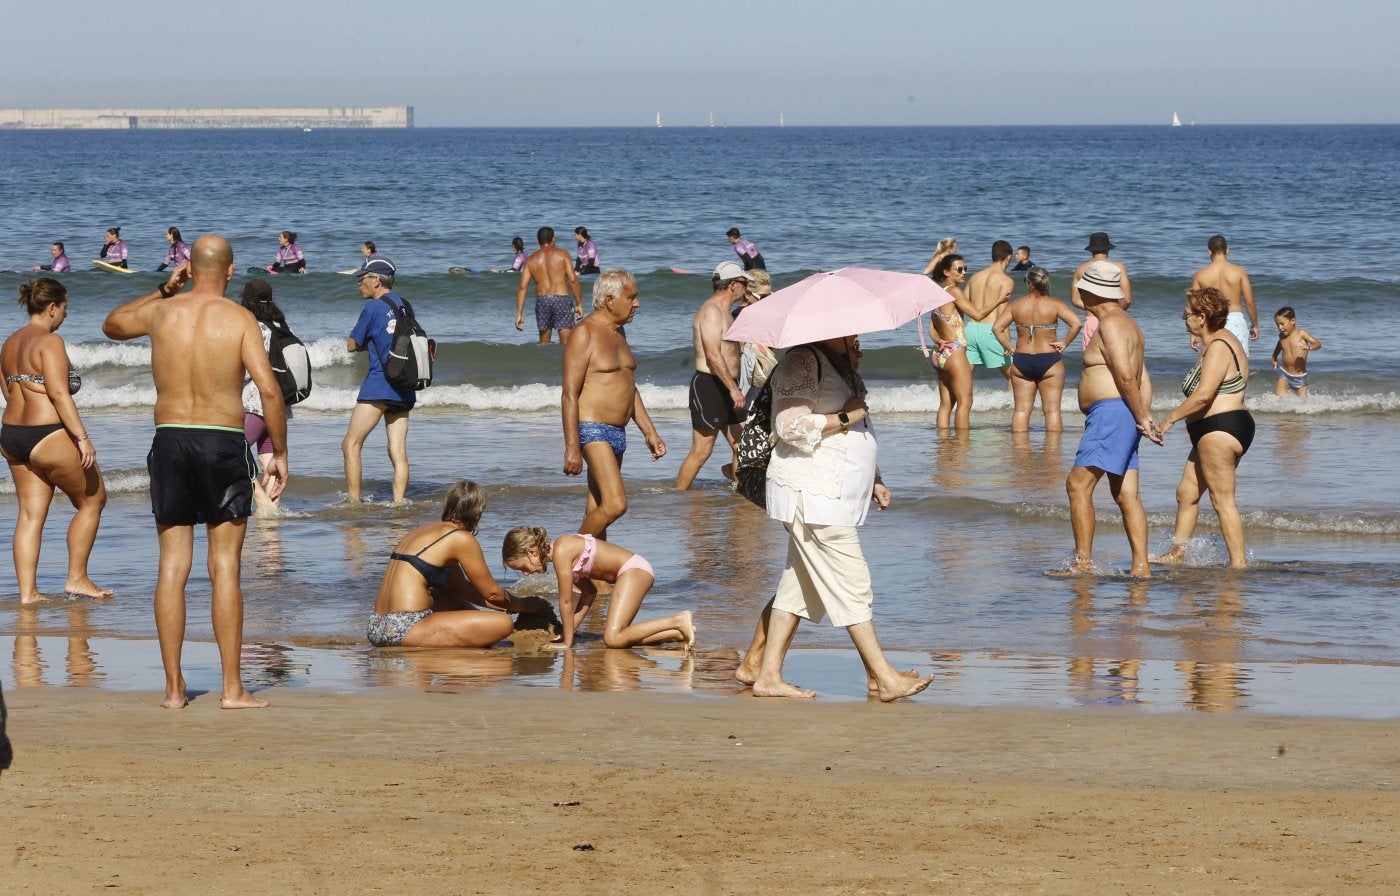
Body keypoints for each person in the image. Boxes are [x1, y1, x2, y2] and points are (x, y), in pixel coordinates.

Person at [102, 234, 288, 709]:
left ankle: (173, 689)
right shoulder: (240, 318)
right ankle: (231, 689)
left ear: (188, 268)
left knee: (172, 567)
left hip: (170, 440)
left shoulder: (164, 311)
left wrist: (165, 290)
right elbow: (268, 391)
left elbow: (112, 324)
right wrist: (280, 454)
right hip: (222, 442)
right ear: (229, 271)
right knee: (225, 567)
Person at [734, 336, 933, 701]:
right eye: (852, 333)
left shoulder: (833, 361)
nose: (857, 338)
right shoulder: (801, 361)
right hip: (810, 493)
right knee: (851, 580)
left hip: (825, 493)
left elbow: (853, 433)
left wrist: (875, 478)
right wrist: (847, 416)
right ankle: (884, 678)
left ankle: (768, 677)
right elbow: (789, 426)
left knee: (800, 588)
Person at [2, 278, 111, 603]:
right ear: (52, 307)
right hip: (47, 433)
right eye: (65, 309)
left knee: (30, 515)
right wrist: (82, 438)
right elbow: (60, 394)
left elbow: (8, 392)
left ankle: (28, 593)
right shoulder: (50, 342)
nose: (65, 315)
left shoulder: (9, 343)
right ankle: (77, 578)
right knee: (93, 501)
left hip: (11, 435)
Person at [1060, 260, 1161, 578]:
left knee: (1077, 485)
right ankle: (1140, 568)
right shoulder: (1128, 323)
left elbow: (1127, 375)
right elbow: (1144, 377)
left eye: (1082, 288)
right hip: (1121, 413)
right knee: (1125, 494)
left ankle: (1082, 565)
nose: (1078, 293)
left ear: (1092, 292)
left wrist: (1141, 416)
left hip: (1113, 413)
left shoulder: (1112, 324)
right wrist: (1143, 414)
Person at [367, 481, 554, 648]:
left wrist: (499, 609)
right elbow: (492, 594)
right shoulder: (460, 538)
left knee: (445, 594)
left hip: (377, 624)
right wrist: (527, 604)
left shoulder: (421, 531)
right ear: (477, 513)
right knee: (503, 623)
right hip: (402, 627)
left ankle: (473, 628)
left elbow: (461, 589)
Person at [561, 269, 667, 538]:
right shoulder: (584, 333)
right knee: (616, 504)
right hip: (592, 429)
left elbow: (629, 388)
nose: (637, 304)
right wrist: (572, 447)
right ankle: (567, 557)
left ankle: (590, 576)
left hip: (618, 432)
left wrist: (650, 432)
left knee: (597, 509)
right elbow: (569, 394)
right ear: (610, 300)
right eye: (631, 298)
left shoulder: (620, 334)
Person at [1156, 287, 1254, 569]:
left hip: (1221, 429)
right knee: (1186, 493)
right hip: (1208, 432)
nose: (1184, 319)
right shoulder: (1209, 344)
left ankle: (1238, 565)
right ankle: (1176, 554)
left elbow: (1204, 395)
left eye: (1186, 315)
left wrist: (1170, 419)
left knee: (1222, 500)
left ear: (1202, 317)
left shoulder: (1221, 345)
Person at [502, 526, 694, 649]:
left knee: (612, 638)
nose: (526, 573)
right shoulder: (565, 557)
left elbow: (566, 601)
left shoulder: (562, 550)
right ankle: (678, 632)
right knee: (621, 637)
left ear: (532, 552)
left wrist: (567, 643)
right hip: (632, 572)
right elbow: (589, 593)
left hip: (634, 570)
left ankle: (677, 620)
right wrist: (568, 633)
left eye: (522, 567)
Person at [674, 261, 753, 490]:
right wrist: (733, 388)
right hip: (710, 385)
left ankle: (741, 493)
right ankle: (678, 496)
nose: (745, 287)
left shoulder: (726, 312)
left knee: (741, 445)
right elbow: (712, 354)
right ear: (732, 285)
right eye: (744, 283)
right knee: (702, 450)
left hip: (728, 385)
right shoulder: (711, 311)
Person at [342, 257, 415, 504]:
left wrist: (362, 344)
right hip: (404, 386)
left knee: (350, 444)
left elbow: (352, 345)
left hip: (379, 385)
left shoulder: (372, 308)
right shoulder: (404, 304)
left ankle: (353, 501)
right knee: (397, 450)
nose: (359, 284)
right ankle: (398, 501)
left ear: (376, 280)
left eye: (362, 278)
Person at [993, 266, 1082, 432]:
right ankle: (1052, 452)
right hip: (1049, 361)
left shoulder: (1016, 305)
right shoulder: (1055, 304)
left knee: (1021, 411)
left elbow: (997, 328)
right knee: (1052, 411)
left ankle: (1020, 452)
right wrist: (1065, 343)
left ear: (1028, 283)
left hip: (1022, 360)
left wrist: (1009, 347)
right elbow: (1076, 323)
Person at [240, 279, 293, 514]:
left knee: (231, 451)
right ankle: (270, 515)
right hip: (279, 405)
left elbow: (245, 371)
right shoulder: (281, 326)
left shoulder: (253, 328)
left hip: (255, 402)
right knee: (269, 460)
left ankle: (260, 500)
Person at [1190, 234, 1259, 356]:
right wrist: (1254, 325)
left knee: (1212, 363)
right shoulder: (1239, 272)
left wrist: (1194, 333)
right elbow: (1249, 301)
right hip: (1235, 320)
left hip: (1211, 323)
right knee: (1238, 365)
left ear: (1209, 252)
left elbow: (1194, 306)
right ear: (1227, 250)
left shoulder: (1200, 275)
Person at [927, 253, 973, 429]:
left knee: (946, 404)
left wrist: (938, 339)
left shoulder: (938, 293)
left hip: (940, 354)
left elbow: (931, 327)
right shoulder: (954, 291)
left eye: (965, 269)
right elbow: (977, 314)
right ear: (947, 272)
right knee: (965, 402)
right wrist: (998, 301)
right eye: (959, 269)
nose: (964, 272)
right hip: (955, 352)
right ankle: (962, 445)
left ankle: (943, 445)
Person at [516, 226, 583, 345]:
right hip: (561, 299)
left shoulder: (531, 259)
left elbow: (523, 287)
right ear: (554, 239)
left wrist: (519, 314)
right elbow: (573, 280)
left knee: (544, 343)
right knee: (566, 344)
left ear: (537, 241)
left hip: (542, 301)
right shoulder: (563, 254)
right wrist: (579, 304)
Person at [962, 240, 1016, 381]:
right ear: (1009, 257)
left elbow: (964, 303)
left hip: (971, 330)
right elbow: (1002, 315)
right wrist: (1007, 343)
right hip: (991, 330)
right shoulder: (1005, 280)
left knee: (963, 377)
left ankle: (957, 402)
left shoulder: (975, 277)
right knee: (1014, 378)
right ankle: (1011, 403)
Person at [1070, 232, 1131, 349]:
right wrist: (1114, 311)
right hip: (1114, 318)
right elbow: (1127, 299)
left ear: (1090, 250)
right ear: (1108, 249)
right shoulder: (1119, 267)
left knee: (1092, 362)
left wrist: (1095, 308)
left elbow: (1075, 300)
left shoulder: (1081, 269)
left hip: (1092, 319)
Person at [736, 269, 777, 403]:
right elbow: (742, 355)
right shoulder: (741, 317)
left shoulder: (755, 315)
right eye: (764, 297)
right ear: (747, 294)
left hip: (756, 380)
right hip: (748, 383)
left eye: (771, 295)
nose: (768, 300)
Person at [1270, 306, 1322, 396]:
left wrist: (1309, 347)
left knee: (1302, 402)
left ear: (1293, 321)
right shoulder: (1281, 336)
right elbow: (1280, 345)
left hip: (1299, 376)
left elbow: (1317, 344)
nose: (1280, 327)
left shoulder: (1301, 333)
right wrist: (1274, 356)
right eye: (1277, 325)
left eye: (1282, 324)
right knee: (1278, 397)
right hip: (1284, 373)